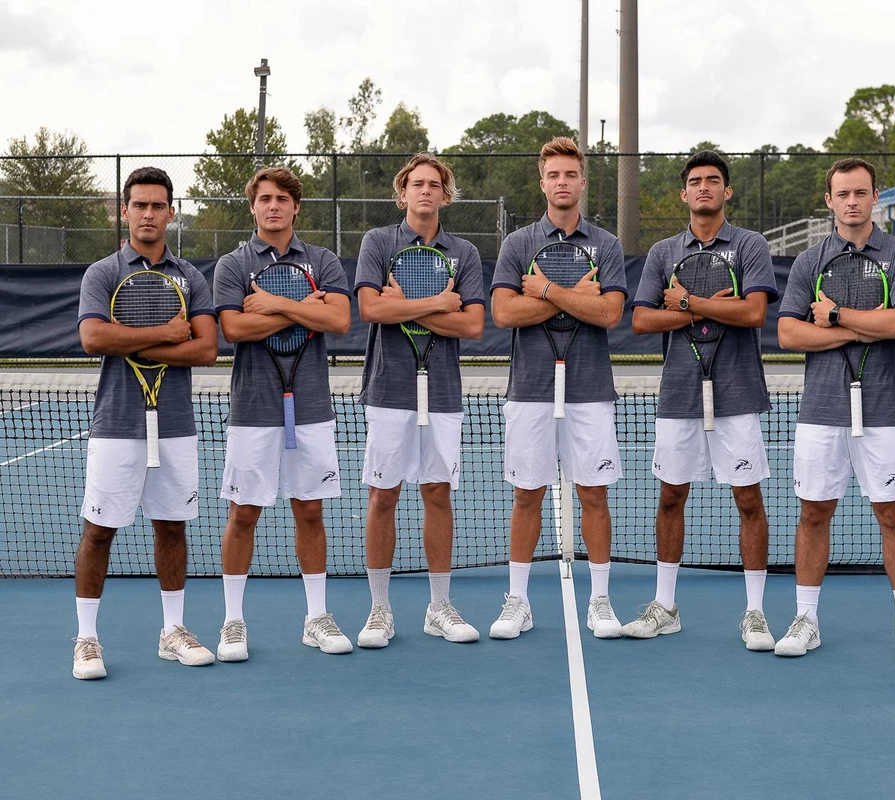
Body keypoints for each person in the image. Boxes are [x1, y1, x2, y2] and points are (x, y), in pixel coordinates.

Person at [621, 150, 780, 650]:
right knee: (671, 496)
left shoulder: (750, 245)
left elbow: (753, 313)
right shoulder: (663, 252)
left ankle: (755, 613)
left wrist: (688, 302)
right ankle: (665, 607)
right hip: (679, 394)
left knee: (748, 500)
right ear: (684, 194)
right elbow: (642, 320)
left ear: (727, 191)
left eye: (713, 180)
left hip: (739, 392)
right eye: (696, 181)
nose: (704, 187)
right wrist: (711, 310)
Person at [775, 158, 895, 662]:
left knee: (893, 515)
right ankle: (806, 619)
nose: (852, 201)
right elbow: (788, 333)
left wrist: (836, 317)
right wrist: (864, 328)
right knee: (813, 513)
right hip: (821, 411)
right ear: (829, 201)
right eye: (842, 194)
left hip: (884, 409)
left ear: (875, 196)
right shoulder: (809, 261)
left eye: (860, 192)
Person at [73, 167, 219, 679]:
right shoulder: (102, 273)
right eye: (140, 205)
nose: (149, 214)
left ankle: (172, 631)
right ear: (125, 210)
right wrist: (167, 334)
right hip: (116, 424)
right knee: (99, 531)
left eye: (158, 205)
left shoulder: (191, 277)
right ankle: (86, 639)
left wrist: (135, 338)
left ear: (171, 213)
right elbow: (94, 338)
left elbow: (206, 348)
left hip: (175, 423)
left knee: (172, 526)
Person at [488, 136, 626, 640]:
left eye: (570, 174)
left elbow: (609, 313)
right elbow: (504, 312)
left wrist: (545, 290)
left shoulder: (606, 245)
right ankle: (518, 602)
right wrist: (574, 296)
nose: (562, 182)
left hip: (590, 389)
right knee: (527, 494)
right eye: (554, 175)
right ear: (542, 183)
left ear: (582, 182)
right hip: (530, 389)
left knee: (594, 494)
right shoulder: (518, 244)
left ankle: (601, 602)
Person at [212, 166, 352, 660]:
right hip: (253, 408)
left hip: (311, 406)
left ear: (296, 207)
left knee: (309, 510)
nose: (273, 206)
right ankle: (232, 621)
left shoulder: (323, 260)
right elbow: (233, 329)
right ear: (253, 206)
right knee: (243, 513)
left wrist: (270, 303)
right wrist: (302, 307)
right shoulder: (232, 264)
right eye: (265, 198)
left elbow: (338, 319)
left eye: (282, 199)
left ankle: (317, 617)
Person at [354, 154, 484, 647]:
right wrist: (438, 303)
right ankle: (379, 610)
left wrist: (404, 306)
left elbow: (472, 324)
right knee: (383, 495)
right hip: (389, 388)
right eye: (417, 184)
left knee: (437, 493)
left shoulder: (464, 252)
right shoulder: (378, 242)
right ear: (402, 193)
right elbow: (371, 308)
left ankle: (439, 607)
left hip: (443, 391)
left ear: (445, 196)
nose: (425, 191)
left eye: (434, 184)